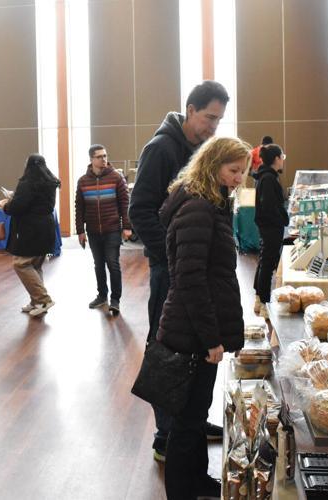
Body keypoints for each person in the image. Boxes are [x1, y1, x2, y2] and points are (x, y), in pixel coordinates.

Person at [129, 80, 229, 462]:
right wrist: (171, 258)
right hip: (170, 270)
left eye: (219, 120)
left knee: (194, 349)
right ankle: (164, 436)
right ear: (189, 110)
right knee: (169, 350)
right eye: (209, 118)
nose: (213, 127)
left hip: (190, 267)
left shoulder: (196, 148)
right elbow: (139, 211)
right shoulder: (160, 149)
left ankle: (191, 421)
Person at [157, 136, 248, 499]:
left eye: (243, 171)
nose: (239, 178)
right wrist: (212, 338)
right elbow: (192, 280)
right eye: (233, 170)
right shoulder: (198, 207)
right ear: (212, 165)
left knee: (195, 416)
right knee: (185, 421)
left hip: (194, 326)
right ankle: (181, 491)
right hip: (191, 331)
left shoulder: (210, 202)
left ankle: (197, 480)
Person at [0, 154, 60, 317]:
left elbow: (17, 207)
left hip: (29, 230)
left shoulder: (27, 183)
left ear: (28, 166)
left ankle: (43, 299)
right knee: (36, 265)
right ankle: (36, 301)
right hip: (46, 227)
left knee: (21, 264)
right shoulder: (50, 182)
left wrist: (6, 205)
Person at [74, 144, 132, 315]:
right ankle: (102, 295)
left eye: (105, 156)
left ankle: (115, 300)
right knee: (98, 265)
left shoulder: (116, 177)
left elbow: (125, 203)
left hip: (112, 229)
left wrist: (127, 227)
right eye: (99, 156)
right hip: (92, 231)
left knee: (113, 264)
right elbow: (79, 207)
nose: (103, 159)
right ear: (91, 159)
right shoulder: (83, 181)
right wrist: (80, 231)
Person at [253, 144, 288, 316]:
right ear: (276, 159)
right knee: (267, 262)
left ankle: (259, 297)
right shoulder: (268, 178)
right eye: (282, 157)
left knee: (264, 260)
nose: (283, 161)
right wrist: (281, 219)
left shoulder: (266, 176)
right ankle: (264, 301)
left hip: (268, 225)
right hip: (270, 226)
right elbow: (269, 206)